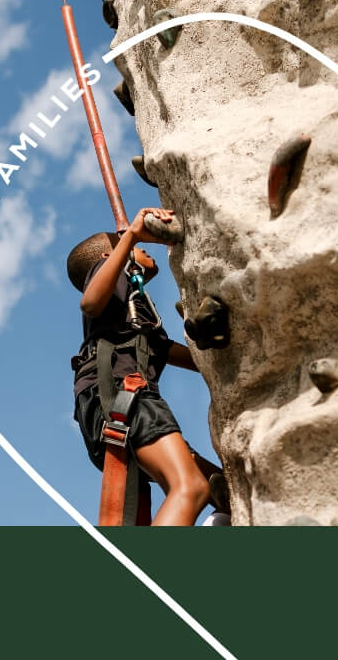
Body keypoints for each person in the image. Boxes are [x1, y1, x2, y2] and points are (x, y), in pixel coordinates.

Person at [67, 207, 221, 526]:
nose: (144, 249)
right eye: (137, 247)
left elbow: (191, 359)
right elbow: (90, 302)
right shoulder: (109, 273)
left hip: (118, 405)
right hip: (123, 397)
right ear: (114, 256)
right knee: (191, 487)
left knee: (220, 486)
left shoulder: (136, 317)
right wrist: (131, 237)